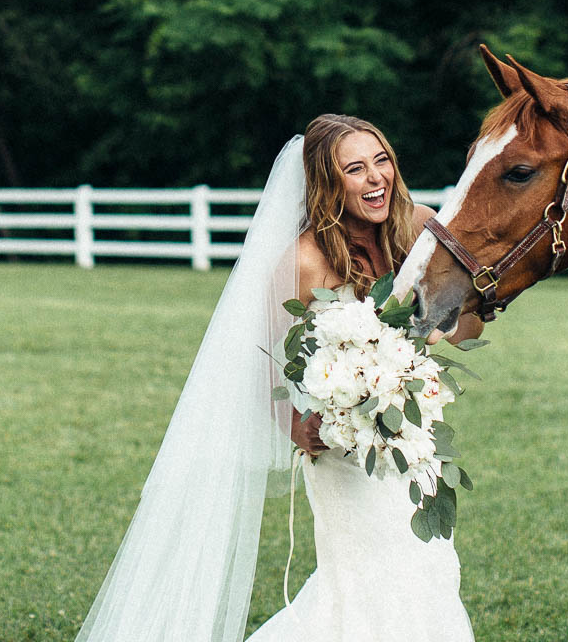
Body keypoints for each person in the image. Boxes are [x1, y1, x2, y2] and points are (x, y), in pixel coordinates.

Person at [72, 113, 477, 642]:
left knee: (429, 571)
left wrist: (444, 331)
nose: (376, 178)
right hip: (346, 455)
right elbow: (265, 363)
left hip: (416, 444)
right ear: (328, 183)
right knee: (365, 585)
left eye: (381, 160)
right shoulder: (304, 261)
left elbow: (467, 321)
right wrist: (296, 424)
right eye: (355, 169)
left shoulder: (422, 229)